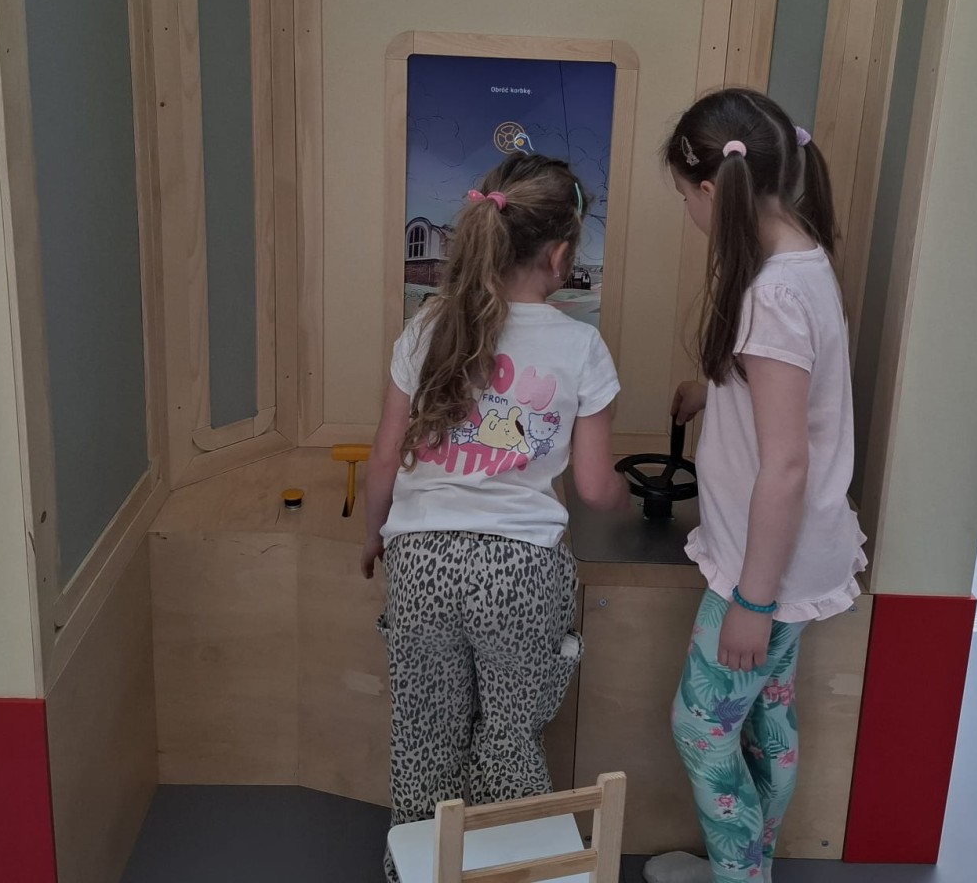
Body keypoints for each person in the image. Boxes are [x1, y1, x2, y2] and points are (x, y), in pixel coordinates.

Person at [360, 152, 628, 881]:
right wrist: (625, 501)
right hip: (521, 570)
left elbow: (383, 458)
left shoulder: (425, 327)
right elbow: (596, 487)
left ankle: (420, 870)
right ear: (561, 255)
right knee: (508, 736)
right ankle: (509, 872)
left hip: (421, 561)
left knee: (425, 734)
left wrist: (373, 537)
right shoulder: (581, 345)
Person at [644, 89, 867, 883]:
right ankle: (748, 868)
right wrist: (717, 389)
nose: (688, 211)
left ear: (712, 189)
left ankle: (738, 877)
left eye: (684, 196)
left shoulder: (768, 293)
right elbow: (794, 395)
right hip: (800, 552)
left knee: (702, 732)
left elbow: (786, 463)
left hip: (765, 564)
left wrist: (752, 599)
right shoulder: (801, 255)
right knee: (768, 715)